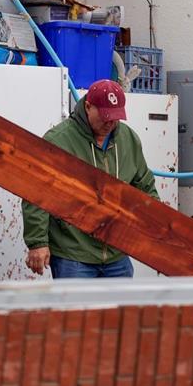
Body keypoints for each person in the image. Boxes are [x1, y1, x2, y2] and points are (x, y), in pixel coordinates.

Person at [22, 79, 159, 278]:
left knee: (120, 310)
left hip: (116, 253)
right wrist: (38, 243)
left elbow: (144, 186)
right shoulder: (58, 140)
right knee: (78, 310)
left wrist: (160, 231)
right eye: (105, 117)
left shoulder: (129, 139)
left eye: (115, 118)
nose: (110, 124)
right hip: (74, 252)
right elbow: (36, 192)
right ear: (88, 107)